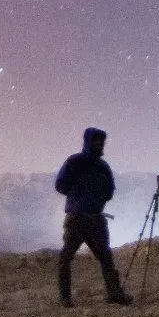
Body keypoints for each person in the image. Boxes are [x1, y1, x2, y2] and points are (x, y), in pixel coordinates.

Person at [55, 127, 133, 307]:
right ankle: (65, 297)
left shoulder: (101, 166)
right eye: (96, 141)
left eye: (101, 141)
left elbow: (109, 191)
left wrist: (91, 198)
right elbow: (60, 185)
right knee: (67, 257)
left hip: (93, 218)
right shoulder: (76, 162)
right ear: (88, 141)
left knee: (105, 257)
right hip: (78, 218)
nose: (99, 144)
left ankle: (114, 293)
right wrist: (82, 195)